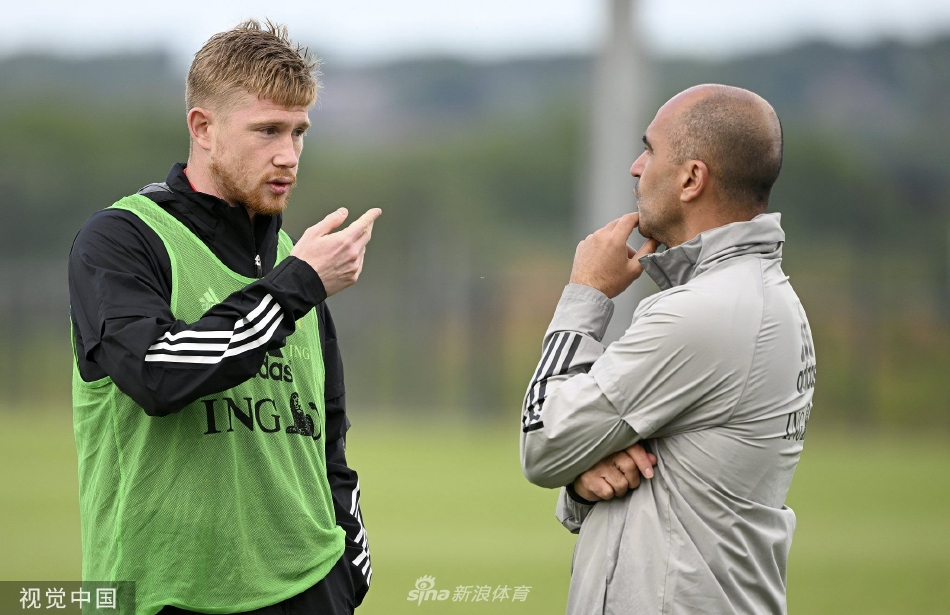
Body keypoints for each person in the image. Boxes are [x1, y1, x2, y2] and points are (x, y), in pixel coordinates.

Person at [68, 20, 380, 615]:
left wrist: (347, 570)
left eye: (298, 132)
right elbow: (157, 374)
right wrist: (296, 287)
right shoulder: (121, 239)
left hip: (310, 589)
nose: (288, 155)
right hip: (164, 596)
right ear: (203, 127)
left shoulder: (294, 263)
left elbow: (329, 438)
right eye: (267, 130)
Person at [520, 84, 815, 614]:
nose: (635, 168)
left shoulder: (704, 312)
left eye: (650, 150)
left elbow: (544, 441)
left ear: (691, 178)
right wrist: (583, 483)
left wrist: (585, 293)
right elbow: (666, 485)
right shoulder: (758, 295)